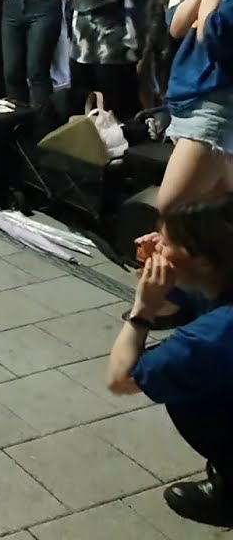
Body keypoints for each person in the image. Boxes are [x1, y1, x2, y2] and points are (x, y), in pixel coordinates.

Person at [106, 197, 233, 527]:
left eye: (169, 240)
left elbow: (121, 379)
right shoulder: (222, 275)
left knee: (180, 384)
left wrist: (142, 310)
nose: (157, 243)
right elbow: (183, 303)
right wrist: (160, 270)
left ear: (203, 261)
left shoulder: (209, 338)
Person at [155, 0, 233, 217]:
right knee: (211, 212)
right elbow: (177, 26)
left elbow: (213, 36)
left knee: (171, 209)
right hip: (194, 95)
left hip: (216, 102)